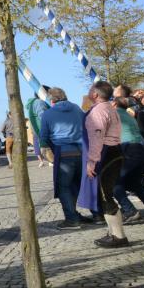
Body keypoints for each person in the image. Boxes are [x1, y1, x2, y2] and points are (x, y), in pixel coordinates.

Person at [76, 81, 127, 249]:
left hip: (105, 154)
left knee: (105, 196)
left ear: (96, 94)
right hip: (114, 152)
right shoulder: (110, 108)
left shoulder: (97, 111)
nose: (89, 92)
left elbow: (97, 138)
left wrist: (92, 161)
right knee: (105, 195)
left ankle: (118, 236)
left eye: (90, 90)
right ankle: (113, 232)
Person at [39, 87, 96, 230]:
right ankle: (91, 214)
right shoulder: (77, 109)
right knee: (78, 184)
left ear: (51, 100)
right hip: (82, 152)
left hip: (64, 154)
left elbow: (44, 137)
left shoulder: (48, 114)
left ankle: (71, 219)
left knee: (63, 187)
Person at [112, 97, 144, 223]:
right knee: (134, 184)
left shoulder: (113, 114)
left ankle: (129, 211)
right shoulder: (129, 116)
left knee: (113, 182)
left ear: (114, 103)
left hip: (131, 149)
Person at [27, 87, 53, 167]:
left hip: (41, 133)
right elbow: (44, 117)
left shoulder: (34, 103)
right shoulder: (39, 102)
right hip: (45, 134)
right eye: (50, 93)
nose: (51, 96)